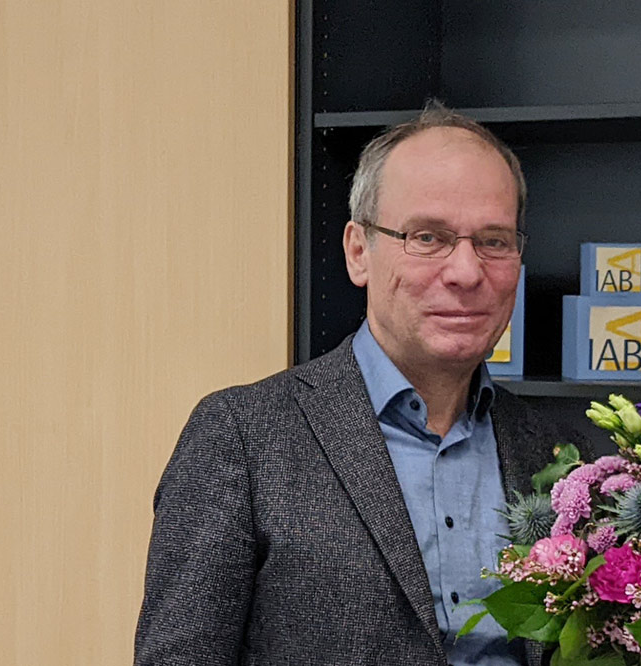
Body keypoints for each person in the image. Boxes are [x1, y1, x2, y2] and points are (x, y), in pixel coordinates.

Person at [135, 104, 583, 666]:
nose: (467, 272)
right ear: (357, 251)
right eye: (428, 236)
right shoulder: (242, 438)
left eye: (493, 241)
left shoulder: (562, 453)